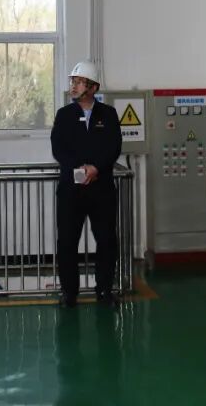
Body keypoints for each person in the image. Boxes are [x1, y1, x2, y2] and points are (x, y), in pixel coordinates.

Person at [51, 60, 123, 308]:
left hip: (101, 190)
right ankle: (69, 292)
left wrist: (96, 168)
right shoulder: (64, 115)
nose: (74, 86)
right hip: (71, 191)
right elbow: (58, 148)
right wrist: (79, 168)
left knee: (106, 241)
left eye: (79, 82)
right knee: (67, 242)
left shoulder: (108, 114)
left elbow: (114, 147)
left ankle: (104, 290)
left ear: (93, 87)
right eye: (73, 81)